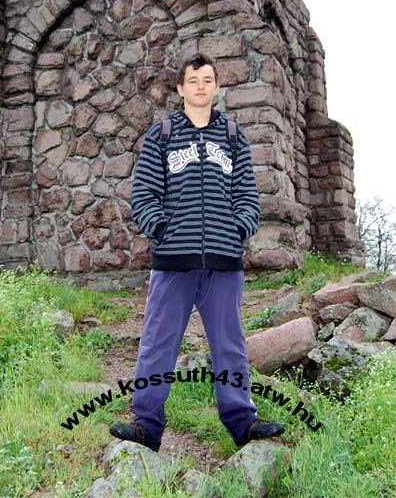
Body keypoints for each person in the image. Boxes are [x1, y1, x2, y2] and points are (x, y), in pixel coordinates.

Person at [110, 53, 285, 451]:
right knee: (157, 343)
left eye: (207, 79)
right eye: (193, 80)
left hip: (224, 262)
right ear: (180, 88)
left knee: (230, 345)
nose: (201, 86)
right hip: (174, 262)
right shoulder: (162, 134)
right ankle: (146, 426)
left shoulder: (234, 136)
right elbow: (144, 195)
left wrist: (237, 229)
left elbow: (247, 196)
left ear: (217, 87)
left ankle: (243, 423)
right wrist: (163, 230)